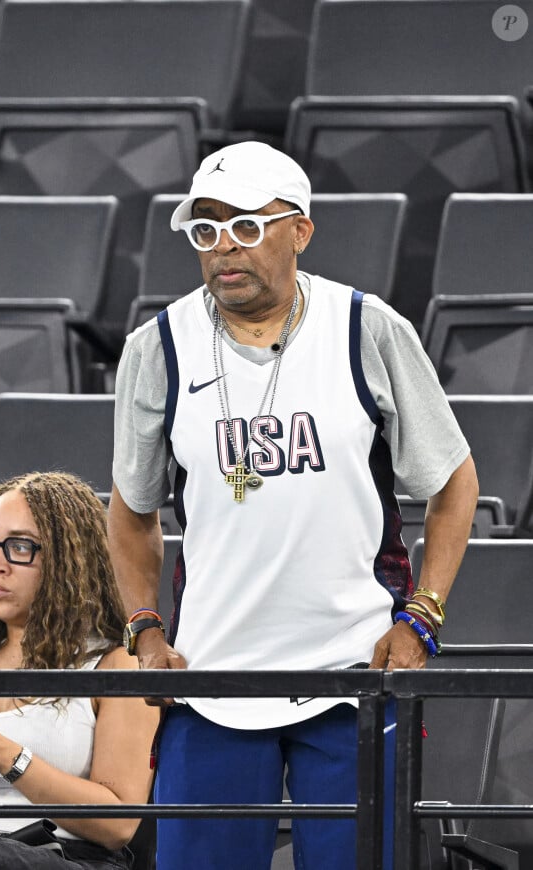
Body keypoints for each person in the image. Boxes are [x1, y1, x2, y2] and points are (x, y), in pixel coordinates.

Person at [108, 141, 479, 870]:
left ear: (300, 230)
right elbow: (131, 511)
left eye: (246, 226)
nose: (224, 250)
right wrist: (145, 630)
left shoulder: (368, 329)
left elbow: (453, 483)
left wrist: (422, 618)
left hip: (356, 681)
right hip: (213, 679)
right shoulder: (157, 347)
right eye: (206, 229)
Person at [0, 471, 159, 869]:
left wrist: (3, 754)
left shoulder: (115, 664)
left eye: (19, 547)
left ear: (70, 559)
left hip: (67, 856)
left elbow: (118, 826)